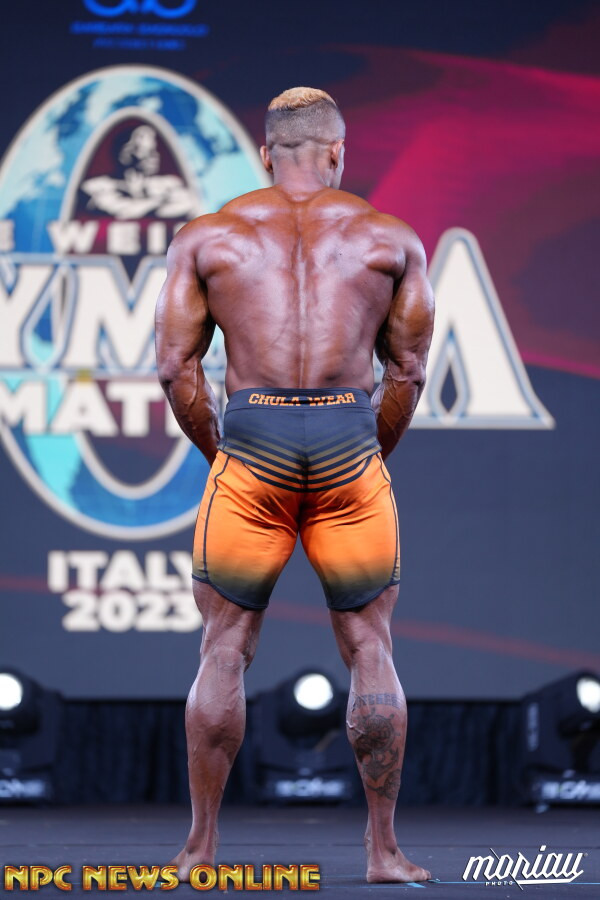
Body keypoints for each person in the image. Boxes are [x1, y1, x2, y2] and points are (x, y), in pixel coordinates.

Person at [155, 87, 434, 884]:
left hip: (253, 445)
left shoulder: (209, 237)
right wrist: (364, 453)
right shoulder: (389, 238)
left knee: (224, 647)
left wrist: (228, 454)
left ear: (265, 153)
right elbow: (408, 371)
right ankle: (384, 853)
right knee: (371, 646)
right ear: (338, 152)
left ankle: (199, 850)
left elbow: (175, 367)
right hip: (349, 442)